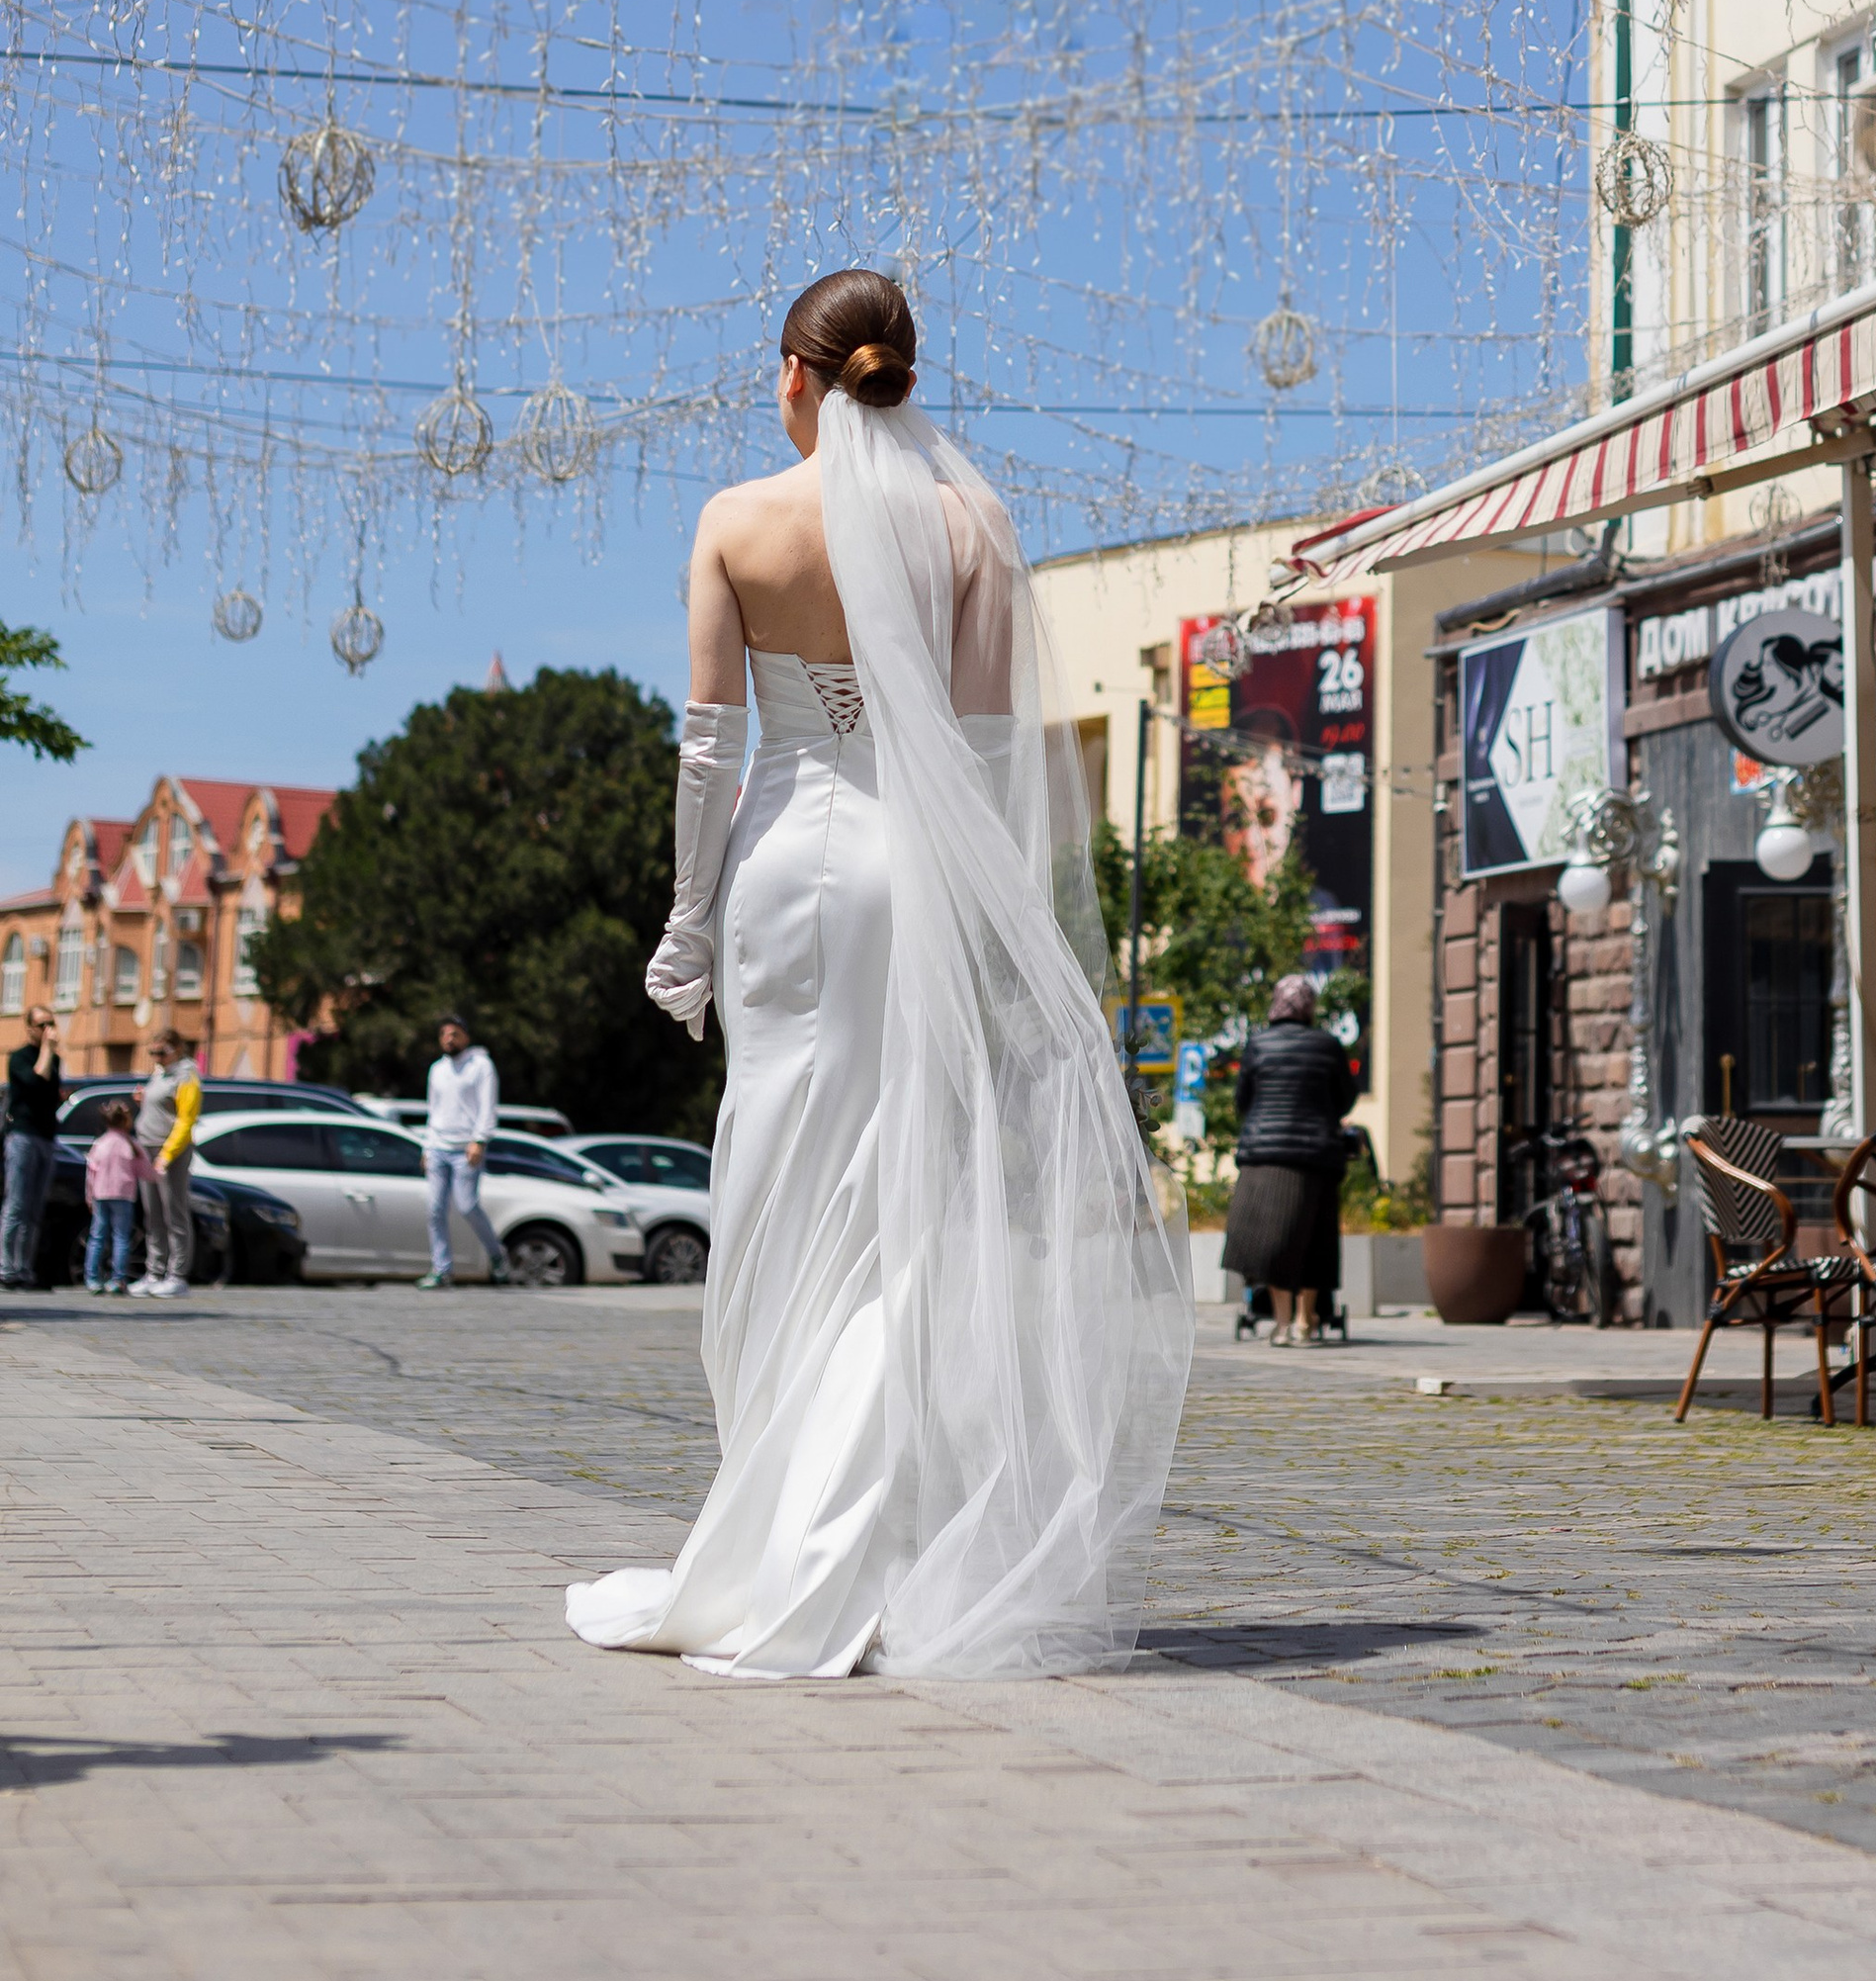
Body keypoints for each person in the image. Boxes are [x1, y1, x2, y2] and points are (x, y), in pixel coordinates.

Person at [568, 264, 1192, 1679]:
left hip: (785, 872)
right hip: (915, 871)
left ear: (794, 374)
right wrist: (990, 921)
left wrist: (684, 922)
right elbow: (988, 754)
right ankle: (872, 1548)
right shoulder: (973, 525)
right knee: (901, 1201)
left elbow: (710, 753)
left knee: (777, 1181)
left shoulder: (737, 521)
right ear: (901, 373)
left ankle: (776, 1532)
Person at [1223, 973, 1358, 1345]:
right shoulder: (1328, 1045)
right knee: (1316, 1241)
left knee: (1273, 1243)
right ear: (1309, 1006)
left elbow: (1243, 1099)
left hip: (1265, 1156)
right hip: (1316, 1155)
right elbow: (1345, 1097)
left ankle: (1282, 1324)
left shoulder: (1258, 1043)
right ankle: (1304, 1320)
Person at [420, 1017, 512, 1289]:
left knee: (467, 1206)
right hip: (438, 1146)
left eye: (455, 1034)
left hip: (466, 1148)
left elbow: (487, 1106)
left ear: (466, 1037)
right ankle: (442, 1270)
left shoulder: (480, 1065)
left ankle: (497, 1255)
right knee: (434, 1210)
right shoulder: (437, 1069)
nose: (449, 1039)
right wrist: (427, 1146)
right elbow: (433, 1110)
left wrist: (479, 1140)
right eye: (444, 1034)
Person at [134, 1029, 202, 1298]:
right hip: (147, 1148)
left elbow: (186, 1120)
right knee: (152, 1214)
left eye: (161, 1052)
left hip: (169, 1152)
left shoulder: (186, 1076)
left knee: (175, 1213)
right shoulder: (159, 1073)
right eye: (152, 1052)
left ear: (177, 1049)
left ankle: (177, 1275)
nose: (157, 1057)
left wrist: (167, 1154)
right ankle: (154, 1271)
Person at [2, 1003, 62, 1290]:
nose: (48, 1029)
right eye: (42, 1025)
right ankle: (5, 1268)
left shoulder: (55, 1060)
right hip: (22, 1137)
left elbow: (51, 1091)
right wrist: (47, 1049)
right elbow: (36, 1080)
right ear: (29, 1028)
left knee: (35, 1208)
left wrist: (50, 1053)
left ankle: (24, 1268)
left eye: (51, 1023)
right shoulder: (19, 1058)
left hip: (46, 1138)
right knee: (16, 1204)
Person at [1220, 719, 1304, 894]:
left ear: (1295, 798)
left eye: (1267, 816)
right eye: (1236, 821)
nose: (1252, 840)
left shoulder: (1322, 908)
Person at [83, 1103, 142, 1294]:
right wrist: (159, 1173)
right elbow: (145, 1169)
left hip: (100, 1194)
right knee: (121, 1237)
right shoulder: (130, 1144)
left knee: (97, 1236)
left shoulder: (100, 1143)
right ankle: (118, 1279)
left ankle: (92, 1278)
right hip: (123, 1195)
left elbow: (91, 1173)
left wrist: (89, 1196)